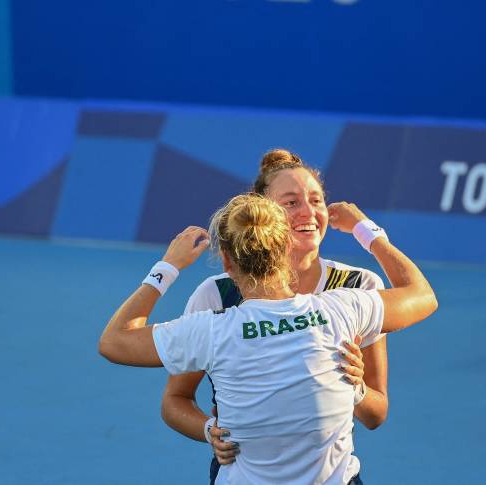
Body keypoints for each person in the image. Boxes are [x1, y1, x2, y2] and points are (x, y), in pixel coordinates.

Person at [99, 193, 437, 484]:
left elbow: (114, 342)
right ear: (288, 246)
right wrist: (368, 232)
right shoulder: (342, 310)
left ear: (228, 263)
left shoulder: (210, 330)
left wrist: (168, 266)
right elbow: (422, 296)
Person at [161, 150, 407, 479]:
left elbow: (376, 414)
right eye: (291, 203)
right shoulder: (217, 294)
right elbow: (175, 399)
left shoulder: (359, 286)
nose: (308, 212)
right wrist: (208, 430)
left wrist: (356, 387)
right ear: (263, 213)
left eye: (316, 200)